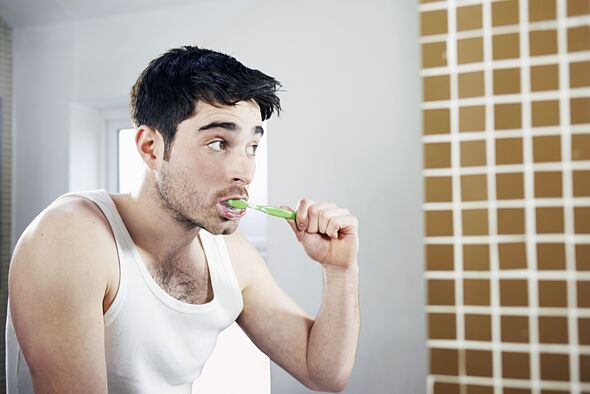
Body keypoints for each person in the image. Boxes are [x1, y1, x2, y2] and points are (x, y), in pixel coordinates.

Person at [5, 46, 360, 393]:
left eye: (251, 147)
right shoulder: (72, 237)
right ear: (151, 147)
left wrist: (340, 270)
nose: (245, 172)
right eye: (218, 143)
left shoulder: (231, 256)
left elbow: (323, 373)